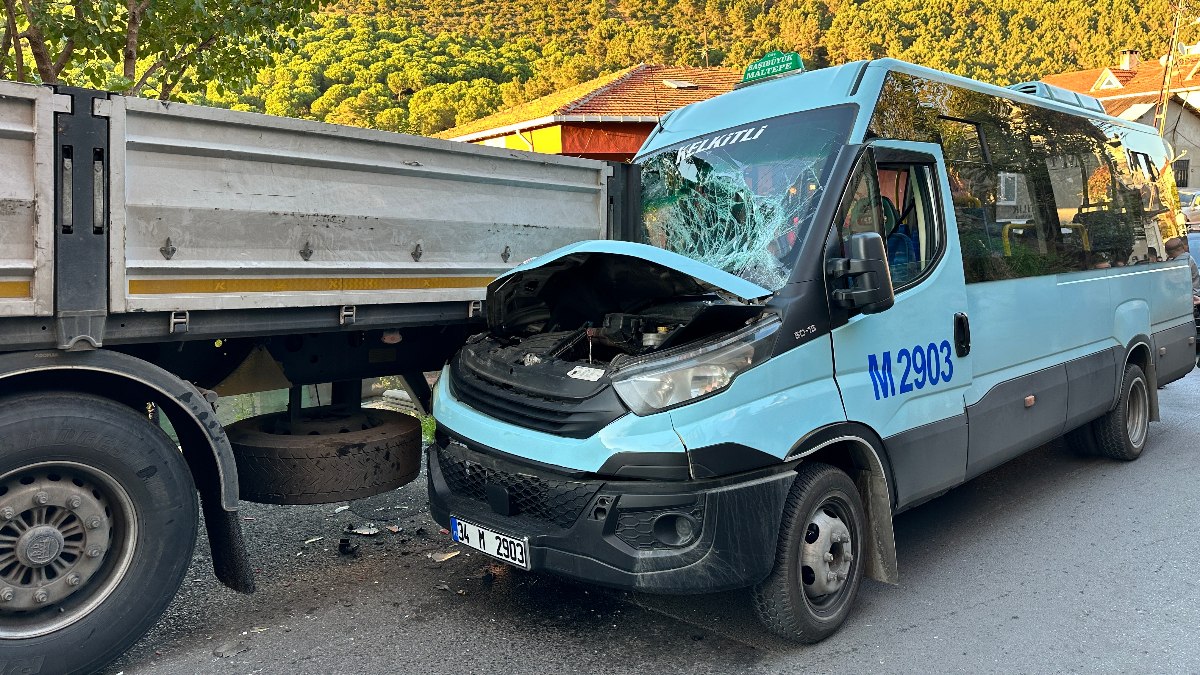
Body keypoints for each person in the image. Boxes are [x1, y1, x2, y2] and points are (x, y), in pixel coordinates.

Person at [1164, 237, 1200, 306]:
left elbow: (1174, 282)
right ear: (1183, 247)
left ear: (1168, 252)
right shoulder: (1187, 258)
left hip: (1191, 299)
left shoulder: (1182, 262)